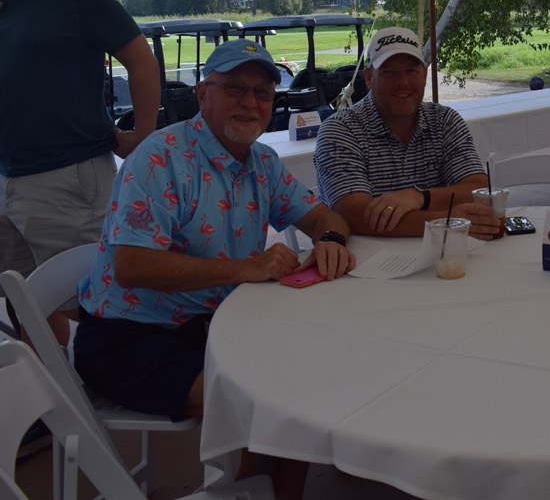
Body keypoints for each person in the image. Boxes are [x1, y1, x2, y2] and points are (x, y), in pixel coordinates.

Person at [74, 40, 355, 498]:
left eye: (262, 93)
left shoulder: (261, 162)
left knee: (309, 367)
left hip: (216, 325)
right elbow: (131, 265)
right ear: (203, 94)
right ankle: (256, 488)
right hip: (128, 338)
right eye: (235, 88)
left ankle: (265, 490)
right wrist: (244, 269)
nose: (250, 102)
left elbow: (326, 216)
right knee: (279, 399)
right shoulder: (160, 158)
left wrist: (331, 240)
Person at [0, 0, 160, 345]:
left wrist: (142, 135)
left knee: (93, 299)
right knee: (24, 298)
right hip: (8, 177)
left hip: (68, 178)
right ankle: (52, 382)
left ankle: (123, 378)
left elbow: (142, 62)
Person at [313, 26, 498, 238]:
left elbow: (479, 191)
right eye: (389, 72)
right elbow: (354, 215)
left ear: (425, 74)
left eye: (411, 71)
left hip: (441, 253)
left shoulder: (444, 120)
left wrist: (420, 197)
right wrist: (446, 222)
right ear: (369, 77)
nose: (402, 83)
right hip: (364, 257)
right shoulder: (340, 130)